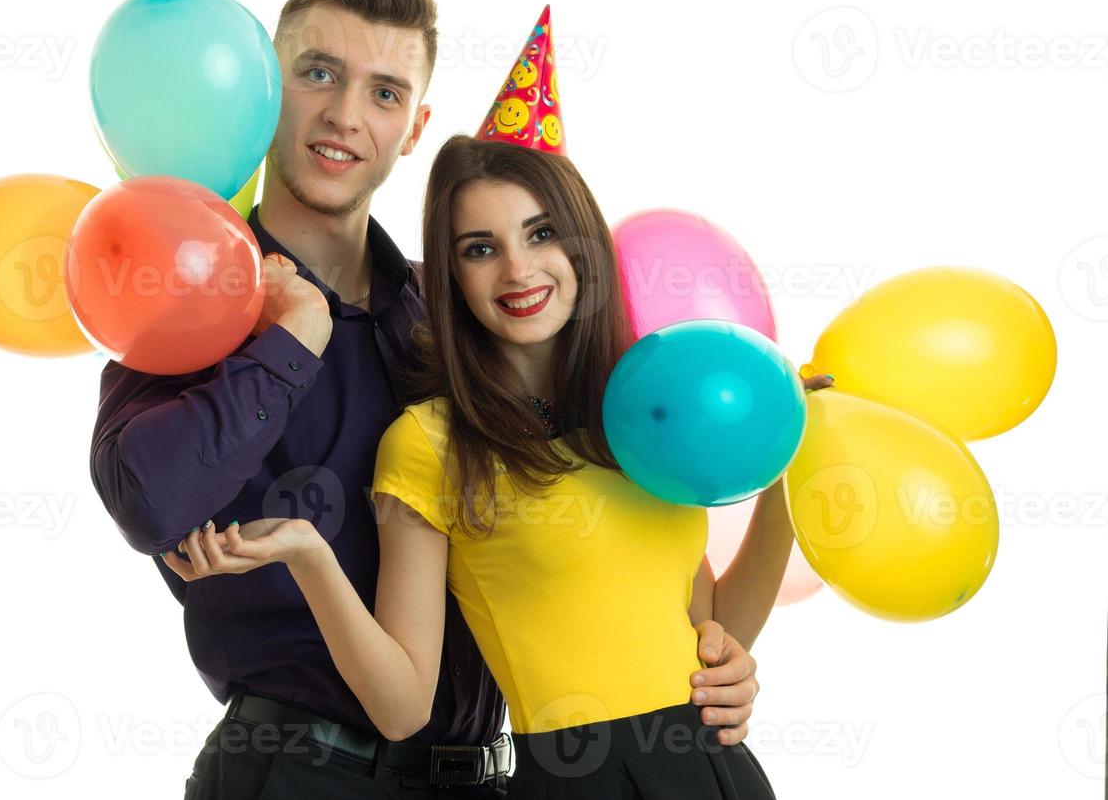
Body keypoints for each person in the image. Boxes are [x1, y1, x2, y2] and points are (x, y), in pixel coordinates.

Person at [93, 0, 767, 798]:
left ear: (413, 127)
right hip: (302, 772)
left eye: (384, 92)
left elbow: (577, 537)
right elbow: (150, 501)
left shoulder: (459, 323)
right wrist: (290, 344)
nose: (345, 115)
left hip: (489, 776)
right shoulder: (192, 291)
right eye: (318, 74)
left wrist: (711, 655)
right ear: (267, 89)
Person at [167, 132, 830, 797]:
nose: (518, 271)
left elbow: (710, 628)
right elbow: (402, 708)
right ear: (452, 278)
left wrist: (790, 467)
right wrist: (311, 555)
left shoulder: (639, 412)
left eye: (540, 235)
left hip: (715, 769)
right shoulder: (430, 443)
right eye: (480, 249)